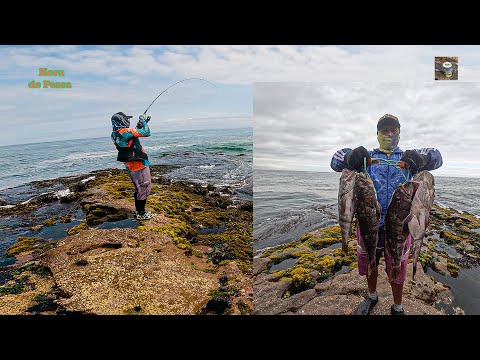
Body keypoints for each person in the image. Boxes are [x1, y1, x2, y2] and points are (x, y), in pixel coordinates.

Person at [330, 114, 443, 315]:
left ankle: (398, 306)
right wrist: (350, 157)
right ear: (377, 134)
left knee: (398, 269)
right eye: (384, 130)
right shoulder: (367, 157)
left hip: (400, 227)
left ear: (399, 133)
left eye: (393, 130)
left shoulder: (408, 157)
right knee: (370, 262)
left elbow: (437, 156)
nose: (389, 134)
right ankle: (372, 296)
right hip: (368, 222)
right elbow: (336, 160)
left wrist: (422, 159)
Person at [111, 111, 154, 220]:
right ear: (121, 120)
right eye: (126, 119)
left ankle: (138, 211)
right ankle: (141, 213)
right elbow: (146, 132)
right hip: (139, 164)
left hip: (130, 165)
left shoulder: (115, 134)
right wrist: (144, 122)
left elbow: (130, 136)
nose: (128, 121)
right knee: (144, 189)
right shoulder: (126, 131)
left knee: (139, 188)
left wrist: (139, 125)